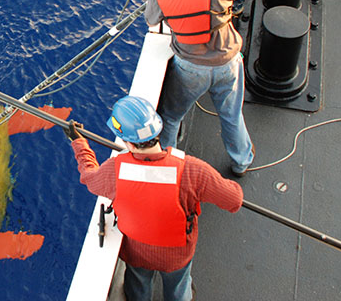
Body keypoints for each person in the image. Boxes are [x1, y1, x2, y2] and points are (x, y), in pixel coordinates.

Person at [64, 95, 243, 301]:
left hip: (137, 253)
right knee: (178, 286)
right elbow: (234, 200)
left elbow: (89, 178)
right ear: (157, 129)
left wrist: (79, 143)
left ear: (127, 142)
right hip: (177, 255)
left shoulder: (114, 171)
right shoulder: (194, 171)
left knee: (138, 288)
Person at [144, 0, 255, 176]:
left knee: (171, 117)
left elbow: (151, 20)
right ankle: (241, 162)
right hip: (228, 63)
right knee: (231, 115)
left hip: (190, 69)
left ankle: (167, 166)